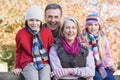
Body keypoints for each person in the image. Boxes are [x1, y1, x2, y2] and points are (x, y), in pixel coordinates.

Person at [13, 5, 54, 80]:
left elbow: (51, 50)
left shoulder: (47, 32)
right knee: (33, 77)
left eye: (37, 20)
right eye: (31, 20)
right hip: (28, 62)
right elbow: (19, 51)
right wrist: (17, 66)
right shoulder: (21, 33)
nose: (34, 23)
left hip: (44, 62)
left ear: (41, 21)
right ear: (26, 20)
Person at [80, 12, 115, 80]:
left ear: (99, 26)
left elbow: (107, 54)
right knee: (98, 78)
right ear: (87, 26)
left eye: (96, 25)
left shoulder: (102, 38)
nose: (93, 27)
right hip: (89, 66)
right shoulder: (82, 38)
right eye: (90, 25)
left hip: (102, 65)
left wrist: (110, 65)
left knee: (110, 78)